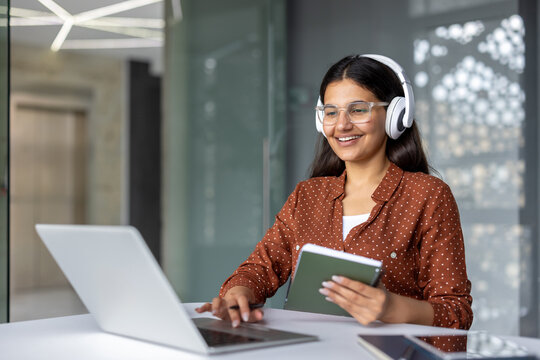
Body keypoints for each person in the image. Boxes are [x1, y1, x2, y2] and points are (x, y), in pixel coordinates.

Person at [196, 54, 473, 330]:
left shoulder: (427, 195)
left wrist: (391, 307)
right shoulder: (307, 196)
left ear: (395, 116)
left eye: (358, 109)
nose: (341, 125)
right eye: (331, 112)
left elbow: (456, 312)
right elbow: (258, 269)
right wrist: (240, 293)